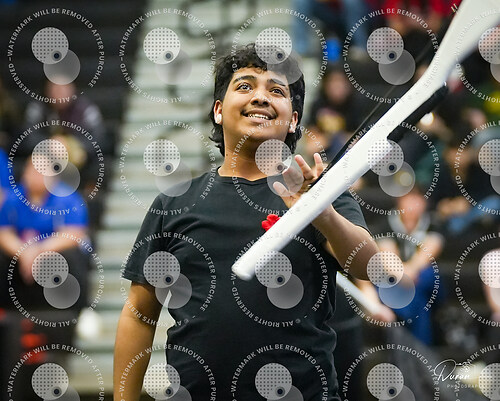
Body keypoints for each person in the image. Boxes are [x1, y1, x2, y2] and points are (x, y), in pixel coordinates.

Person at [114, 44, 378, 400]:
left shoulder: (320, 194)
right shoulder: (174, 204)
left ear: (293, 120)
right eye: (244, 86)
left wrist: (321, 211)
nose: (261, 97)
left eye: (276, 91)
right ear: (218, 111)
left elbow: (367, 265)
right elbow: (139, 315)